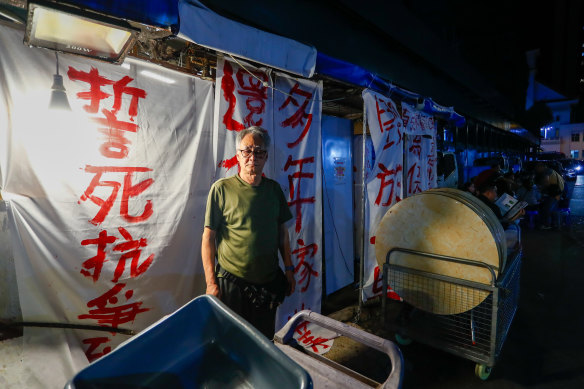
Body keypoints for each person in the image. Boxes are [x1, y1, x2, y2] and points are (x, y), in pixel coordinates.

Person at [201, 126, 296, 338]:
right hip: (232, 284)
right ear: (237, 154)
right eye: (247, 151)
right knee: (231, 340)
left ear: (266, 157)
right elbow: (208, 238)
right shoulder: (221, 189)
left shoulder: (274, 190)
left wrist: (289, 267)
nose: (253, 157)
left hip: (267, 283)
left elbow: (283, 233)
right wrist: (210, 283)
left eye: (259, 152)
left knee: (263, 340)